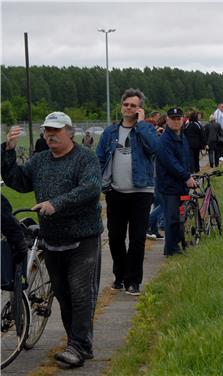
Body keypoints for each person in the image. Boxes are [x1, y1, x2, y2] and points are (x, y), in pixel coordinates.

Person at [1, 112, 103, 368]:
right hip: (53, 239)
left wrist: (56, 204)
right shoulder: (39, 161)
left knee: (81, 294)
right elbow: (17, 180)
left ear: (70, 132)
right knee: (63, 294)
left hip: (83, 239)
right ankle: (76, 342)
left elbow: (90, 189)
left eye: (56, 130)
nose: (50, 135)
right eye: (47, 130)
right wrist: (8, 151)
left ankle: (79, 347)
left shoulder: (85, 159)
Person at [96, 88, 158, 296]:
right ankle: (120, 275)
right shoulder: (110, 133)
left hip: (141, 191)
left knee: (138, 237)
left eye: (133, 105)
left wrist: (141, 125)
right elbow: (100, 159)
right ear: (121, 106)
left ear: (140, 109)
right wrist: (102, 184)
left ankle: (134, 280)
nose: (128, 108)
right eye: (126, 104)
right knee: (115, 237)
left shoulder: (145, 130)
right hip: (116, 192)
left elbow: (154, 148)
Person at [155, 107, 196, 256]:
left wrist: (189, 174)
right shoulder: (164, 140)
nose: (176, 121)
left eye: (178, 118)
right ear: (167, 120)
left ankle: (176, 245)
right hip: (169, 187)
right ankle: (171, 249)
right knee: (171, 219)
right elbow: (171, 163)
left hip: (181, 186)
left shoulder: (182, 137)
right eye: (173, 118)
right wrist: (186, 176)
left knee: (180, 218)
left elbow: (185, 159)